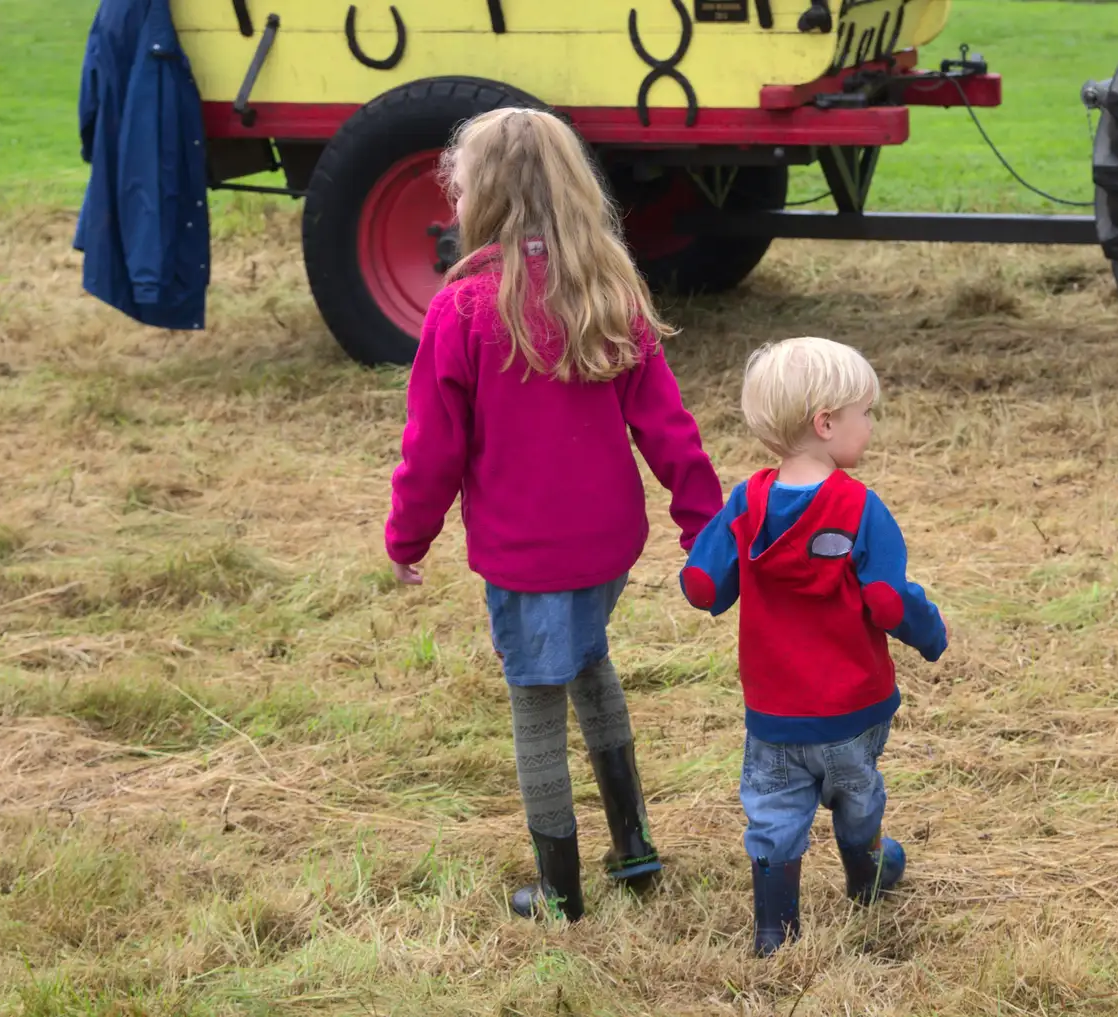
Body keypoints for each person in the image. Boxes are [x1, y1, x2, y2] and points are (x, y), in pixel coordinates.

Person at [383, 106, 723, 923]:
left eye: (458, 187)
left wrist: (407, 535)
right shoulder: (606, 287)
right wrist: (702, 522)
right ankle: (634, 848)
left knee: (536, 699)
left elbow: (433, 447)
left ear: (481, 199)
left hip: (525, 550)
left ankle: (562, 889)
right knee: (589, 663)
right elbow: (667, 424)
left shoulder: (461, 310)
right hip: (606, 545)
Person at [678, 336, 948, 955]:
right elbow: (887, 599)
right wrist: (930, 633)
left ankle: (775, 929)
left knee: (774, 813)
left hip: (774, 713)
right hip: (852, 707)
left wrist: (709, 556)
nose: (871, 425)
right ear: (827, 424)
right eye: (866, 413)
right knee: (858, 795)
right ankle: (867, 875)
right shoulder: (860, 507)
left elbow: (700, 586)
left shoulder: (746, 502)